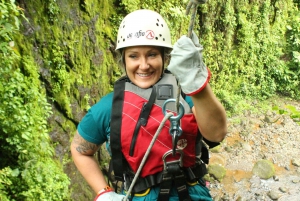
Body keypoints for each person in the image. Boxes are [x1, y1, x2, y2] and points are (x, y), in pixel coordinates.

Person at [71, 9, 227, 201]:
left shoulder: (183, 96)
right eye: (134, 56)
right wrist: (104, 192)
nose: (143, 65)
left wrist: (197, 84)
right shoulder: (109, 108)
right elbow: (80, 151)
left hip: (191, 194)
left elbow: (216, 134)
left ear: (164, 57)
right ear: (124, 60)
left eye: (152, 54)